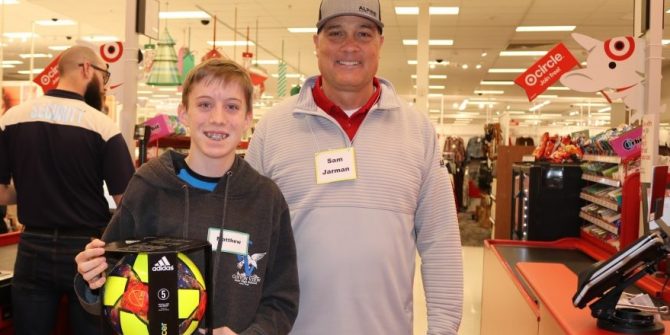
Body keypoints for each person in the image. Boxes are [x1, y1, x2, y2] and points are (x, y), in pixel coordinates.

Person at [245, 0, 463, 334]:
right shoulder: (273, 129)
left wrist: (443, 329)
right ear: (316, 43)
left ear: (380, 44)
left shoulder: (418, 131)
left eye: (363, 33)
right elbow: (246, 238)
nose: (350, 46)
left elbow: (440, 241)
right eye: (336, 33)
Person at [75, 59, 299, 335]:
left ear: (248, 118)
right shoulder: (149, 186)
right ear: (184, 114)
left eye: (232, 106)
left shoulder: (266, 199)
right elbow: (111, 280)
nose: (218, 118)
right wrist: (91, 279)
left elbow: (281, 299)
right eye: (204, 104)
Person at [0, 46, 135, 334]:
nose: (106, 83)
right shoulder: (102, 126)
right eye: (104, 74)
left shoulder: (11, 119)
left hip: (32, 247)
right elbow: (127, 201)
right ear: (87, 69)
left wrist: (34, 191)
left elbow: (1, 194)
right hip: (87, 251)